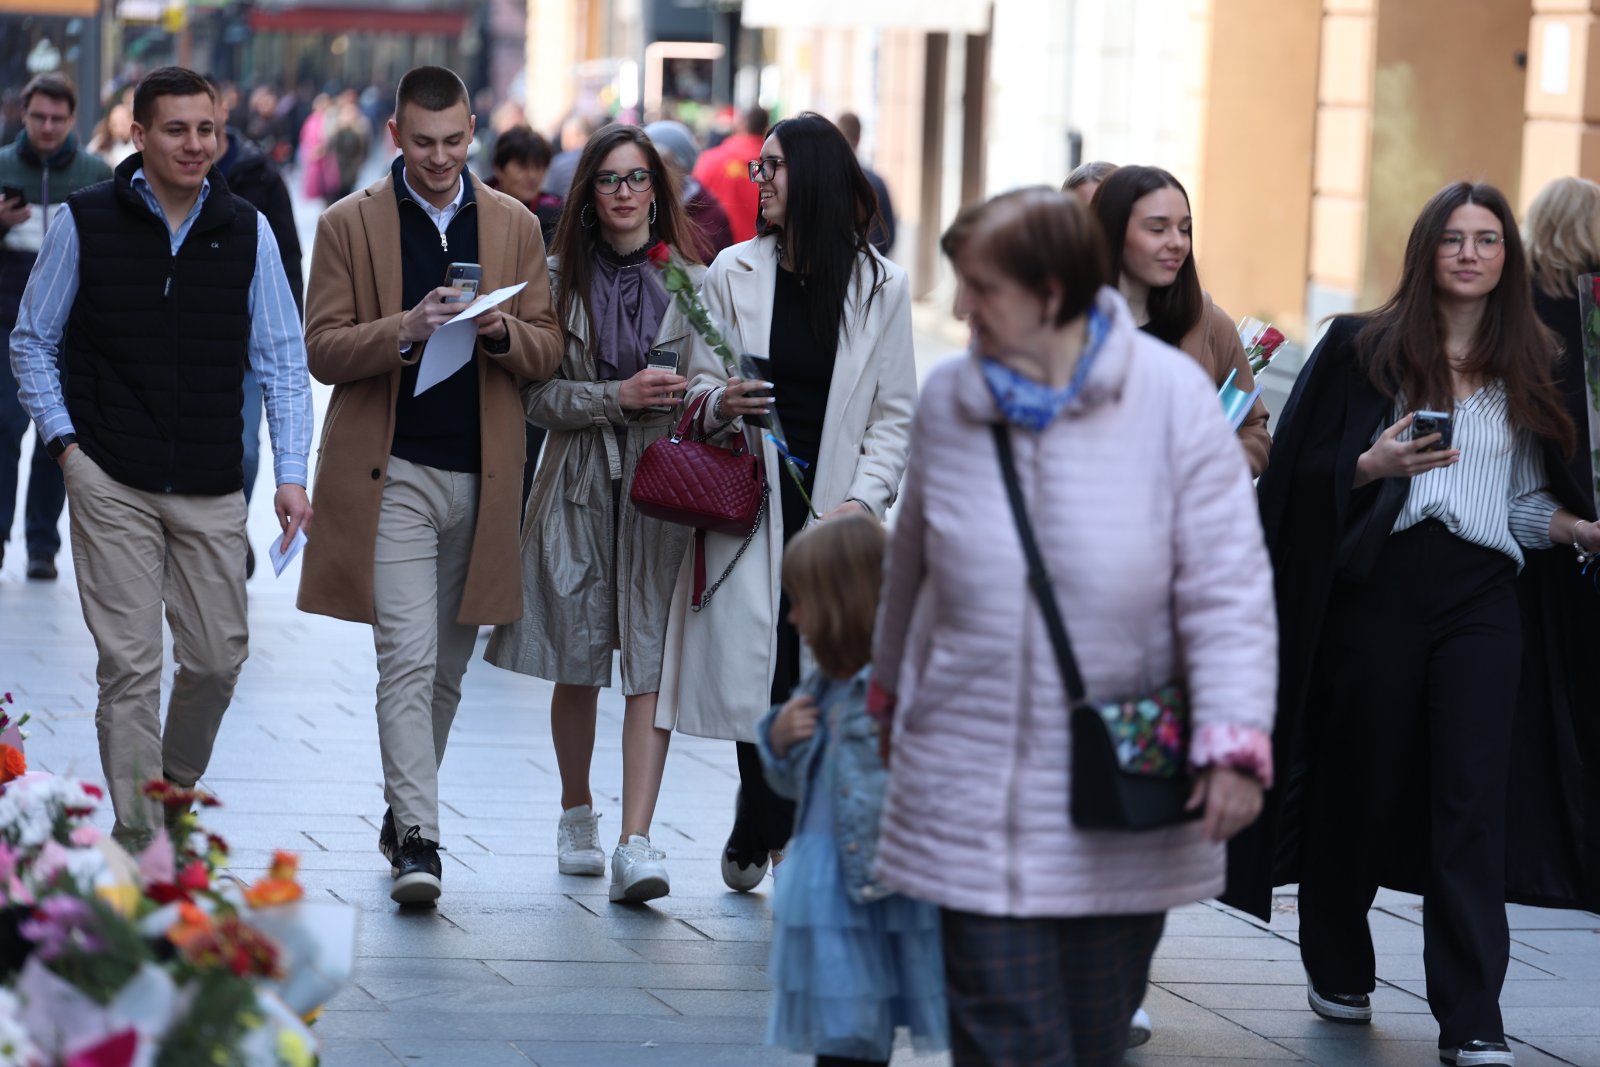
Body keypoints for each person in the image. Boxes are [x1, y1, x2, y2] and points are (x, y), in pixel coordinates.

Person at [870, 187, 1274, 1067]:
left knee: (1090, 1039)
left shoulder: (1169, 398)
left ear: (1051, 291)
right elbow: (912, 562)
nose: (965, 306)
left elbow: (1229, 588)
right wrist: (886, 691)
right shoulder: (952, 400)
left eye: (985, 287)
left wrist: (1234, 741)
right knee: (1002, 1036)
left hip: (1114, 788)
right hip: (966, 773)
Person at [1229, 182, 1600, 1067]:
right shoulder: (1364, 345)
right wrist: (1373, 462)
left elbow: (1516, 505)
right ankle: (1338, 956)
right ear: (1425, 249)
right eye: (1454, 239)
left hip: (1481, 597)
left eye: (1488, 240)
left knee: (1472, 801)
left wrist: (1574, 526)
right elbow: (1295, 478)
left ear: (1509, 256)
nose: (1471, 254)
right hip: (1378, 586)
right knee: (1362, 777)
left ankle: (1473, 1015)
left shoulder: (1539, 357)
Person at [7, 66, 313, 846]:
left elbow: (281, 355)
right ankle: (140, 836)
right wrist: (66, 444)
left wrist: (288, 474)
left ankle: (170, 788)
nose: (195, 144)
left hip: (211, 479)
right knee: (131, 665)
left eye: (206, 128)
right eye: (175, 130)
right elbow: (34, 339)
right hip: (108, 471)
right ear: (138, 136)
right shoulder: (85, 220)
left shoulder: (247, 228)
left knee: (217, 658)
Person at [296, 65, 563, 906]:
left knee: (449, 671)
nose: (440, 158)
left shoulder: (516, 223)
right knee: (406, 660)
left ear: (473, 131)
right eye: (423, 143)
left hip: (486, 475)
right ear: (394, 138)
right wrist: (404, 330)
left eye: (454, 142)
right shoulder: (348, 223)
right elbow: (323, 349)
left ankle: (400, 811)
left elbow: (549, 347)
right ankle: (420, 837)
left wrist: (500, 331)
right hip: (393, 471)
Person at [654, 111, 918, 893]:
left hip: (833, 520)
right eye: (756, 167)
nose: (755, 180)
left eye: (771, 168)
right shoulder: (731, 271)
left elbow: (893, 415)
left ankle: (765, 817)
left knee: (814, 676)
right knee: (757, 672)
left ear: (816, 180)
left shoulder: (884, 288)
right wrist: (720, 401)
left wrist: (864, 504)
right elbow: (692, 390)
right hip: (749, 503)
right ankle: (771, 812)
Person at [485, 124, 701, 904]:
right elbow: (536, 395)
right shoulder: (553, 280)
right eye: (607, 180)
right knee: (577, 655)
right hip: (577, 480)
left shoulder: (691, 283)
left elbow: (710, 385)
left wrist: (704, 403)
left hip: (663, 486)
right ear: (587, 192)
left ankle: (636, 840)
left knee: (651, 659)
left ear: (657, 188)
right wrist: (617, 396)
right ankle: (577, 810)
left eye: (636, 179)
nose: (623, 193)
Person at [757, 514, 946, 1066]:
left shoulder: (896, 691)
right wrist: (779, 741)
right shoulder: (822, 686)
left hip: (868, 888)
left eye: (802, 601)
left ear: (845, 602)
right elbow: (797, 786)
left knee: (855, 1036)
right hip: (825, 884)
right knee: (842, 1035)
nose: (793, 617)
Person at [0, 73, 111, 579]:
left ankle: (42, 544)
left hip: (72, 328)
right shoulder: (3, 164)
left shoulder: (95, 172)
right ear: (23, 115)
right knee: (3, 430)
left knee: (57, 436)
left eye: (57, 119)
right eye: (39, 116)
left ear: (72, 120)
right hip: (5, 319)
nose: (47, 127)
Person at [1091, 165, 1270, 476]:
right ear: (1113, 230)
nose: (1177, 242)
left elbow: (1254, 430)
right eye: (1157, 229)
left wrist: (1211, 467)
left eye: (1185, 228)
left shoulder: (1209, 323)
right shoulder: (1059, 328)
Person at [209, 81, 305, 579]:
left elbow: (289, 258)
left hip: (241, 345)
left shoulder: (259, 176)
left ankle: (228, 529)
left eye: (205, 122)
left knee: (243, 449)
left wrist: (286, 325)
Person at [643, 119, 733, 263]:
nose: (653, 171)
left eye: (663, 163)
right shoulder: (641, 206)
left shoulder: (710, 216)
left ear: (683, 168)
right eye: (646, 164)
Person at [692, 104, 769, 244]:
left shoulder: (709, 160)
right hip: (757, 252)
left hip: (712, 250)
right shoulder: (773, 170)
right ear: (765, 129)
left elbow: (693, 207)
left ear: (740, 125)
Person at [834, 112, 894, 257]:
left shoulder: (828, 177)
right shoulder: (877, 182)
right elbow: (889, 234)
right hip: (871, 263)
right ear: (859, 138)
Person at [490, 125, 561, 245]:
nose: (532, 176)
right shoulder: (478, 206)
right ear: (499, 169)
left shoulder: (558, 215)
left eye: (539, 166)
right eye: (522, 166)